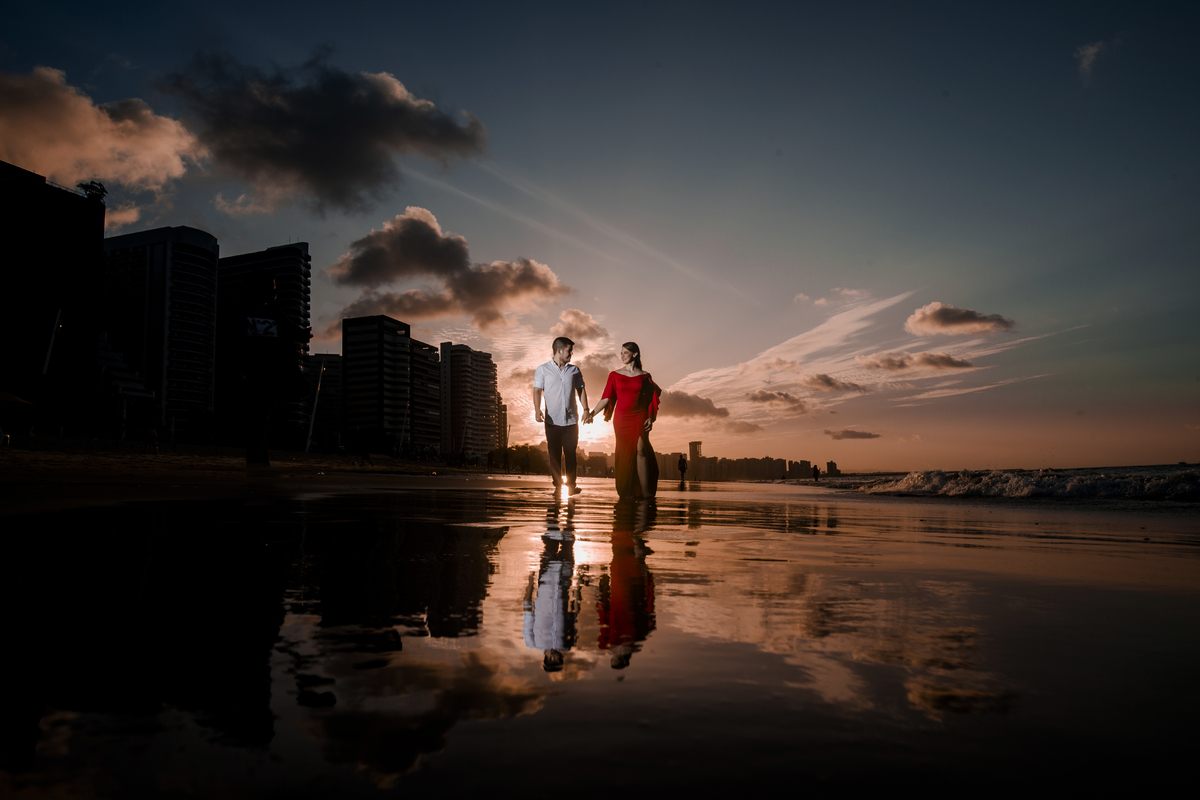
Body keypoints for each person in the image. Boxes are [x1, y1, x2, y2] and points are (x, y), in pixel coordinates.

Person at [585, 342, 661, 501]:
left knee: (641, 450)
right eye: (621, 353)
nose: (622, 356)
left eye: (625, 352)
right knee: (624, 453)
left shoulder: (645, 376)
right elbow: (606, 398)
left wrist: (651, 417)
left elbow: (652, 397)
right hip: (622, 419)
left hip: (639, 415)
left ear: (635, 354)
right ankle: (627, 490)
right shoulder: (615, 375)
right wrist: (592, 413)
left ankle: (645, 492)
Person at [532, 337, 589, 495]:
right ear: (559, 351)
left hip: (571, 420)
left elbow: (581, 390)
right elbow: (537, 390)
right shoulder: (542, 369)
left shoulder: (574, 370)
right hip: (552, 421)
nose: (571, 354)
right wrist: (537, 410)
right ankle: (557, 486)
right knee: (554, 455)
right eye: (569, 351)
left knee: (571, 454)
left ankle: (571, 486)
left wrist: (586, 409)